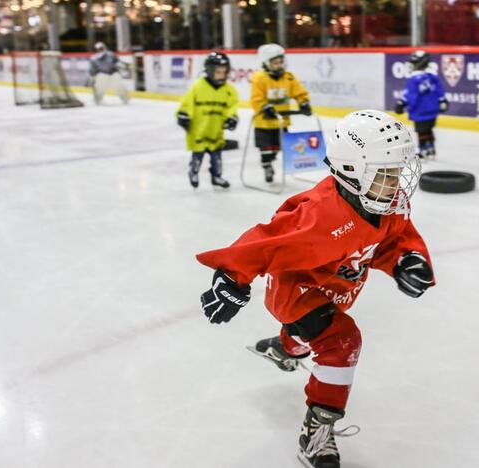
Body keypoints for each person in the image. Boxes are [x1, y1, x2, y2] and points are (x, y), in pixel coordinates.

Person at [196, 110, 435, 468]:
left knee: (312, 337)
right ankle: (316, 434)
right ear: (352, 171)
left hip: (336, 288)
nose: (397, 182)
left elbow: (393, 239)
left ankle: (286, 347)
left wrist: (406, 260)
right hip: (297, 289)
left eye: (397, 172)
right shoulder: (320, 215)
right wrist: (232, 276)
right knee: (341, 342)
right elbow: (268, 240)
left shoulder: (382, 202)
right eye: (386, 174)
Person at [176, 51, 239, 189]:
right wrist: (183, 114)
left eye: (224, 72)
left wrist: (232, 118)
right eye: (218, 72)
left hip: (216, 132)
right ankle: (193, 171)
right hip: (198, 131)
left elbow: (232, 107)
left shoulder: (229, 90)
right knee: (197, 156)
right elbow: (187, 103)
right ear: (210, 71)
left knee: (217, 158)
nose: (222, 75)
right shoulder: (198, 86)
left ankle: (217, 176)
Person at [250, 43, 311, 183]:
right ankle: (266, 165)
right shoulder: (259, 78)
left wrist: (304, 102)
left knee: (277, 148)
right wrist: (264, 107)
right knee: (266, 149)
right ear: (265, 63)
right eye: (275, 62)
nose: (279, 65)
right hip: (264, 123)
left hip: (281, 121)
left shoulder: (289, 77)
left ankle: (270, 160)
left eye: (281, 61)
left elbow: (299, 92)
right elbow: (256, 98)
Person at [394, 50, 448, 158]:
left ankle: (423, 150)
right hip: (432, 109)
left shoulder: (414, 79)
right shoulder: (433, 76)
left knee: (421, 131)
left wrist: (402, 103)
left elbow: (411, 95)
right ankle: (431, 148)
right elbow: (440, 91)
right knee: (428, 129)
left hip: (420, 110)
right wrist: (442, 101)